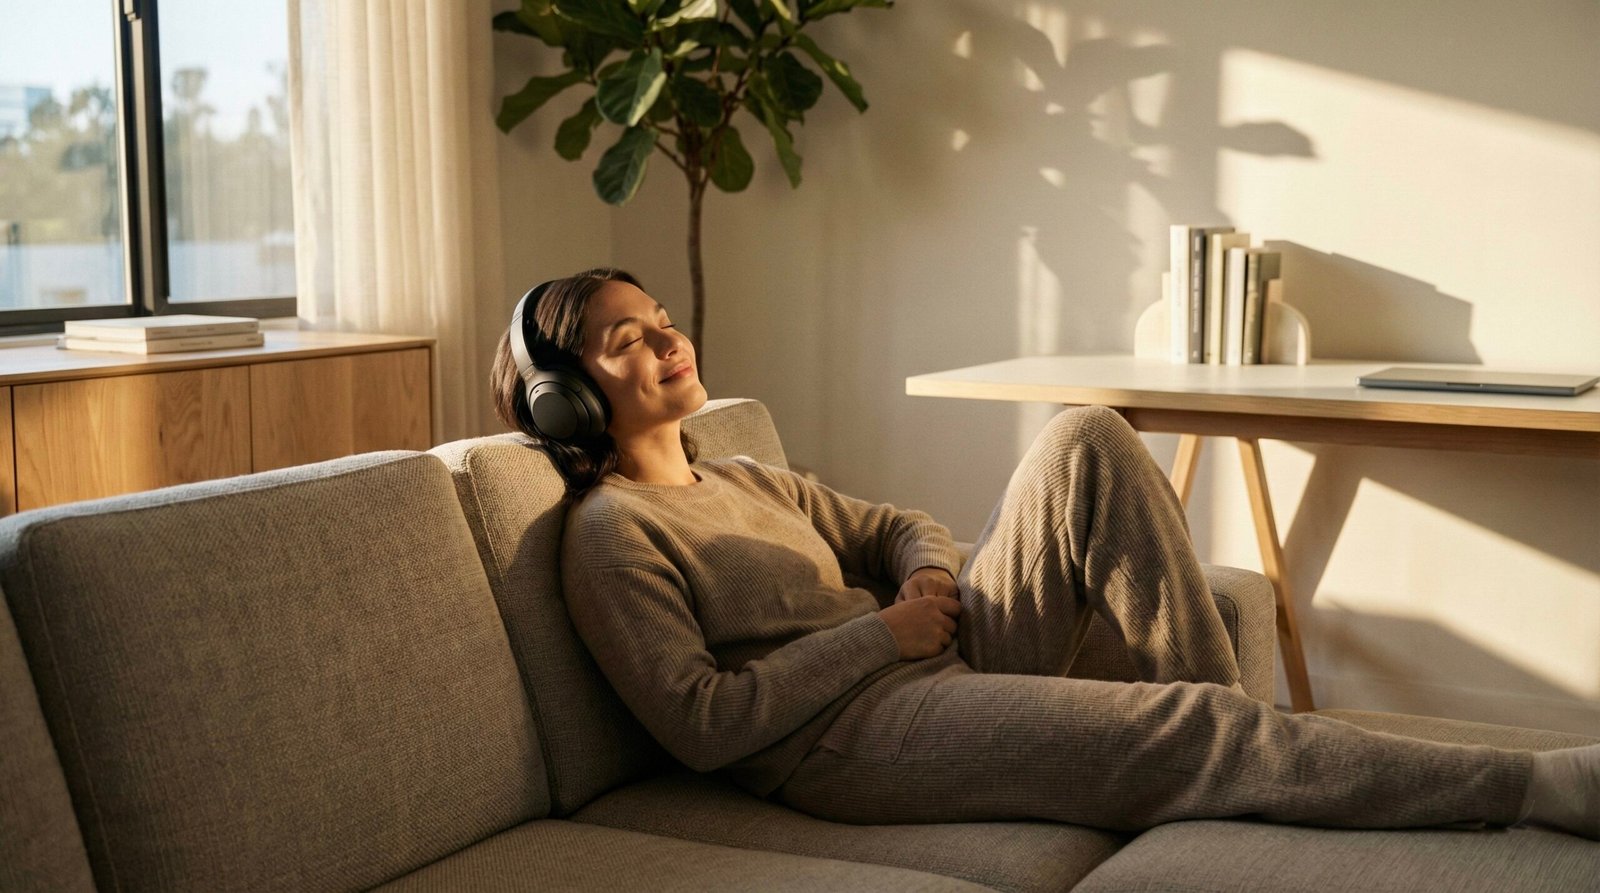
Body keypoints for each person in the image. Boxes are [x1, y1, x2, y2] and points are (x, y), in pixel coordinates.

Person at [488, 266, 1599, 840]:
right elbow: (701, 720)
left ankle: (1239, 757)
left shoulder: (737, 474)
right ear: (566, 398)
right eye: (623, 338)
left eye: (661, 316)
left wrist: (924, 574)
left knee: (1083, 432)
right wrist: (879, 634)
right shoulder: (610, 534)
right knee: (1194, 724)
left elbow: (890, 524)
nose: (667, 338)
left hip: (933, 652)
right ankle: (1534, 785)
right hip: (847, 740)